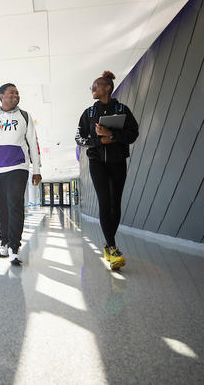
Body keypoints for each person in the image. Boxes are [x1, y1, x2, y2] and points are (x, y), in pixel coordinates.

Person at [75, 71, 138, 270]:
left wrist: (111, 134)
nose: (92, 90)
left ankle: (109, 244)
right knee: (104, 201)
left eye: (96, 86)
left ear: (107, 88)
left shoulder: (122, 109)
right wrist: (98, 140)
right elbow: (79, 138)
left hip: (118, 161)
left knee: (115, 203)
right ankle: (111, 247)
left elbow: (133, 133)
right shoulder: (88, 114)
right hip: (97, 163)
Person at [0, 83, 42, 265]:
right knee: (1, 208)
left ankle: (14, 247)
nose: (15, 95)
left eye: (17, 93)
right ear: (1, 96)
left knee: (15, 206)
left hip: (19, 167)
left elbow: (33, 144)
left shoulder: (25, 116)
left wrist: (37, 170)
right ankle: (4, 242)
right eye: (11, 93)